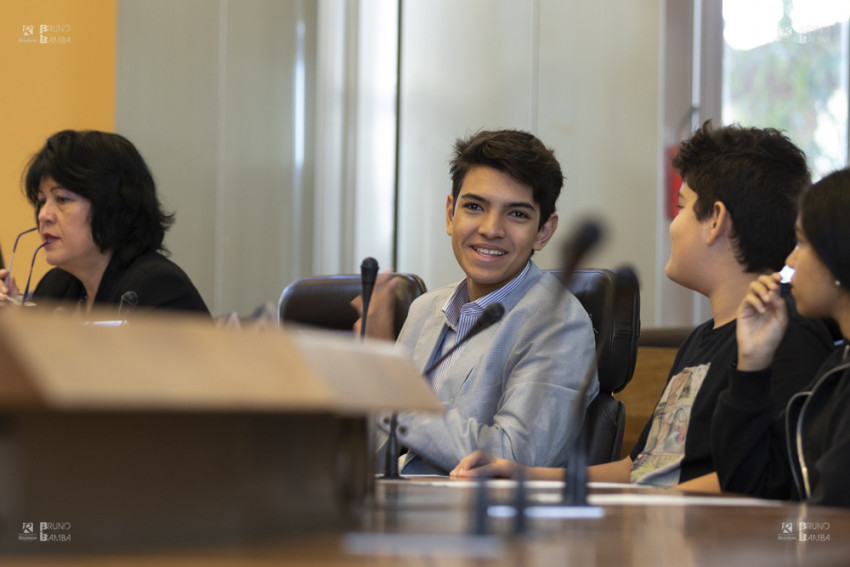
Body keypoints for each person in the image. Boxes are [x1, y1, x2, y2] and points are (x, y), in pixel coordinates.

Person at [451, 122, 834, 490]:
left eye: (682, 207)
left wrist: (646, 504)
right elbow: (643, 468)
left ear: (715, 220)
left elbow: (765, 480)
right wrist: (523, 474)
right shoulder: (702, 338)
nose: (673, 225)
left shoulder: (787, 330)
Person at [359, 129, 598, 475]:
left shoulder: (558, 322)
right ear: (449, 214)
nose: (490, 229)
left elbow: (517, 455)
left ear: (544, 232)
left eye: (516, 214)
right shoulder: (425, 309)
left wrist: (393, 390)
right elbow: (376, 444)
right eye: (474, 207)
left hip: (478, 521)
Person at [712, 169, 850, 507]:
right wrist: (752, 365)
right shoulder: (838, 364)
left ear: (840, 252)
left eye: (802, 242)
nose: (789, 259)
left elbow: (829, 528)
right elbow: (750, 491)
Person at [0, 129, 209, 316]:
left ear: (112, 204)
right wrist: (15, 324)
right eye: (42, 201)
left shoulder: (159, 288)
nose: (43, 215)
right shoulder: (55, 287)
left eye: (62, 199)